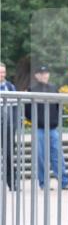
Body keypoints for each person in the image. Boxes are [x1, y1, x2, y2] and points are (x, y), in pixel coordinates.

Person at [28, 65, 68, 190]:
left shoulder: (54, 88)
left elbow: (58, 106)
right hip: (39, 128)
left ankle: (64, 182)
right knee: (41, 157)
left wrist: (55, 121)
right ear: (36, 75)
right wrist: (36, 121)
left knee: (58, 155)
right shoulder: (32, 89)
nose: (44, 75)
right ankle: (43, 183)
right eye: (42, 73)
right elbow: (27, 110)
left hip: (53, 128)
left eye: (46, 73)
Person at [1, 63, 18, 191]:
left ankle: (12, 183)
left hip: (8, 126)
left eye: (3, 72)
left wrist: (14, 124)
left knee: (9, 155)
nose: (2, 74)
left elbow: (16, 107)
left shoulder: (10, 87)